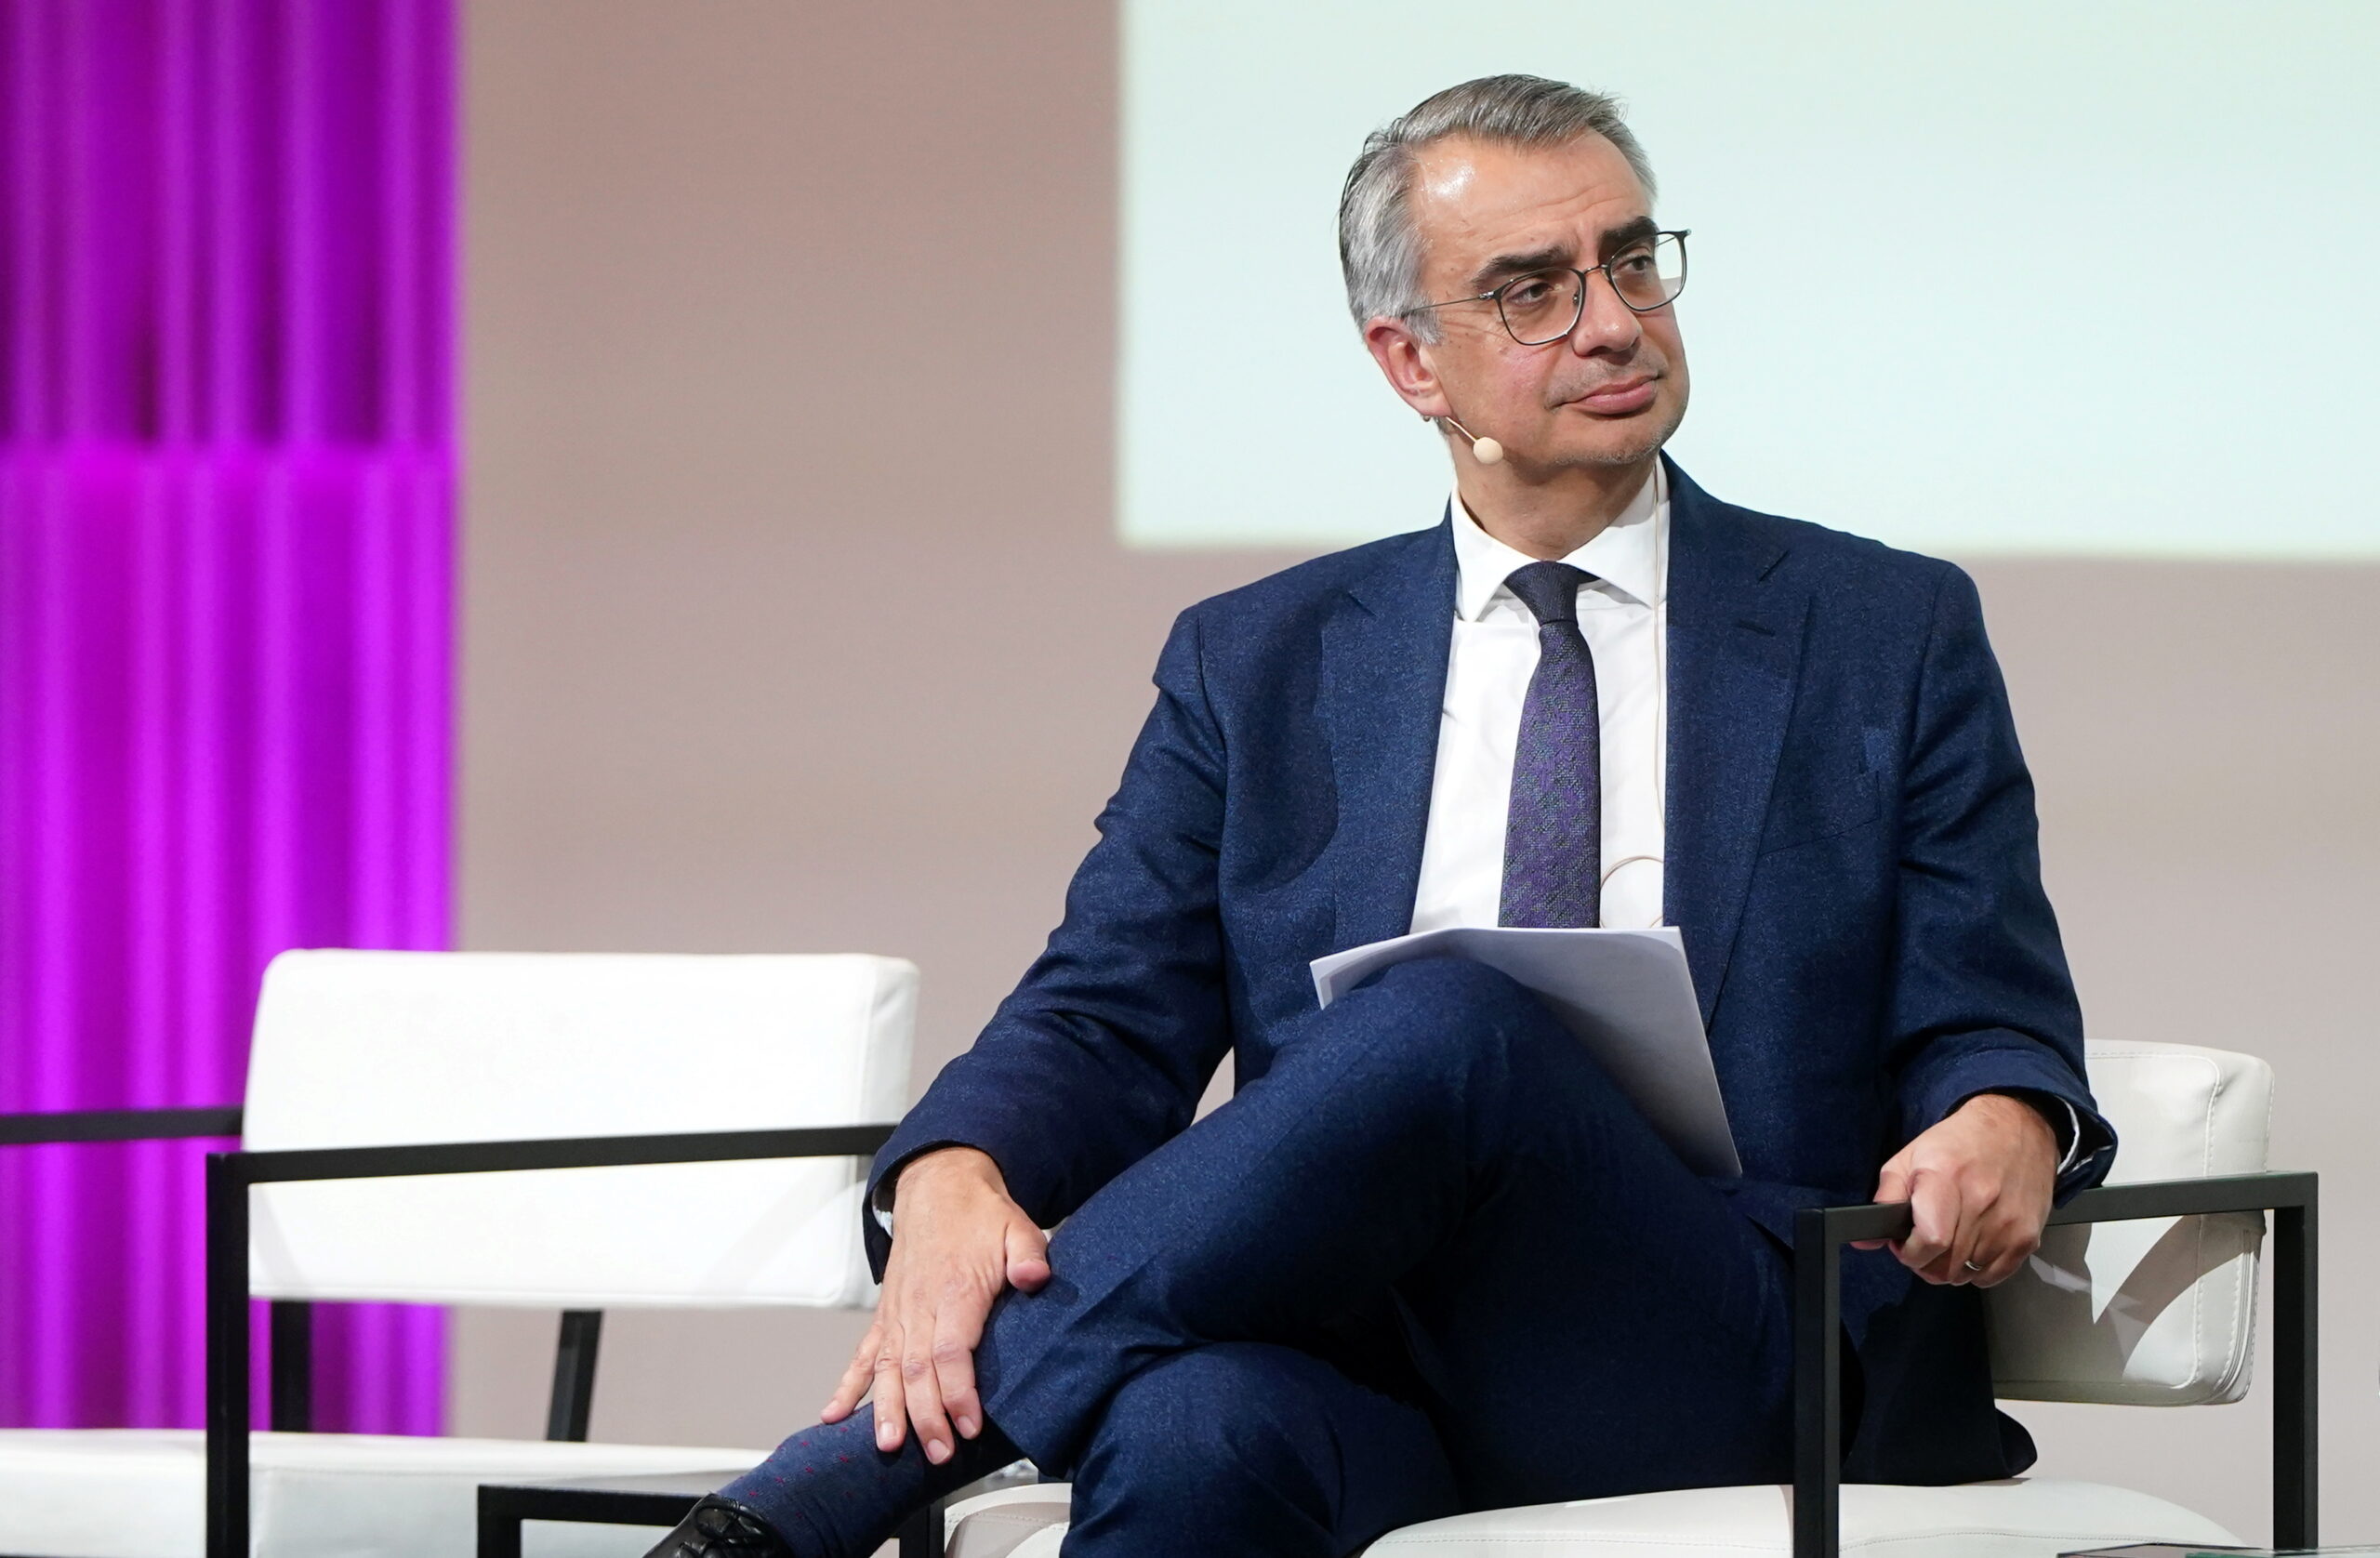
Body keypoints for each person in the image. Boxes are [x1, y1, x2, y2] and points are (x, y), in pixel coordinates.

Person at [643, 73, 2111, 1558]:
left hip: (1723, 1343)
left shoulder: (1882, 629)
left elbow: (1988, 1006)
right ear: (1410, 362)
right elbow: (1105, 1016)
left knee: (1451, 1023)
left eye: (1631, 260)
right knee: (1187, 1433)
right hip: (1371, 1351)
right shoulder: (1261, 660)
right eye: (1531, 291)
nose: (1610, 321)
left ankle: (810, 1504)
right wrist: (959, 1172)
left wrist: (2006, 1112)